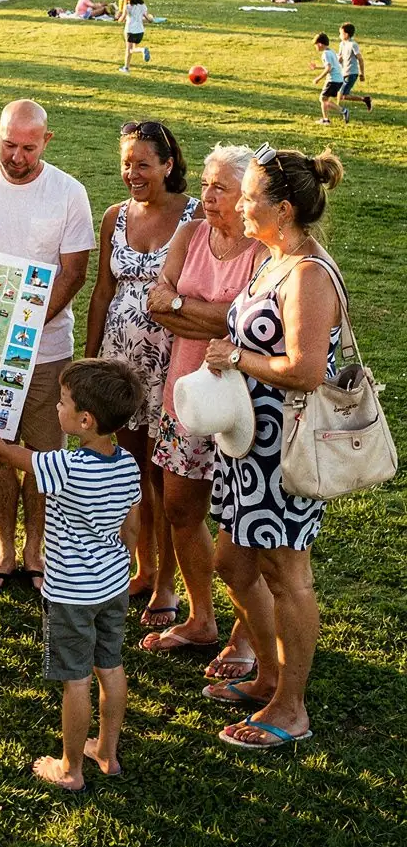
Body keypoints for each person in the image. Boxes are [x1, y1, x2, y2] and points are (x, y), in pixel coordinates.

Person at [0, 358, 143, 791]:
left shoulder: (64, 468)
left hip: (70, 595)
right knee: (111, 667)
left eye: (62, 403)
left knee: (76, 680)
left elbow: (4, 452)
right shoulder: (126, 464)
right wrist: (124, 560)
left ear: (85, 420)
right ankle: (106, 751)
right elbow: (132, 524)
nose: (56, 409)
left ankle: (70, 769)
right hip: (113, 585)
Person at [203, 143, 345, 750]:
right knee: (233, 563)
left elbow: (307, 369)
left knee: (287, 574)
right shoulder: (272, 260)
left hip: (284, 449)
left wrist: (236, 356)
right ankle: (266, 672)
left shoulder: (308, 275)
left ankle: (291, 706)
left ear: (282, 209)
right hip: (247, 445)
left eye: (250, 196)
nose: (239, 203)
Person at [0, 100, 96, 597]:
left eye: (28, 148)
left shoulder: (69, 192)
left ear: (46, 142)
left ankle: (36, 553)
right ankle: (4, 553)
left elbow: (74, 273)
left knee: (42, 453)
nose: (16, 156)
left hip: (47, 348)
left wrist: (28, 328)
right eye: (8, 144)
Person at [144, 145, 261, 675]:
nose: (206, 197)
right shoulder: (190, 235)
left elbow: (248, 326)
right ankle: (201, 617)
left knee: (240, 526)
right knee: (179, 510)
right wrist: (211, 317)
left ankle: (244, 636)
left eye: (221, 188)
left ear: (249, 197)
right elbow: (155, 302)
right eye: (208, 185)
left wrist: (182, 309)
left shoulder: (265, 251)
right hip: (185, 397)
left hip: (244, 412)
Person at [86, 121, 201, 624]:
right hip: (121, 359)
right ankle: (145, 567)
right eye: (126, 163)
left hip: (172, 359)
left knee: (166, 476)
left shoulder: (195, 218)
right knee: (134, 471)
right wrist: (89, 363)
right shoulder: (114, 216)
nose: (132, 173)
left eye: (143, 164)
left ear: (168, 165)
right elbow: (102, 292)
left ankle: (170, 586)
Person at [337, 21, 373, 121]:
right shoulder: (342, 44)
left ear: (346, 34)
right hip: (343, 72)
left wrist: (362, 73)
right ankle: (365, 99)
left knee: (341, 94)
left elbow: (360, 59)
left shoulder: (353, 45)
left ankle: (341, 111)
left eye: (341, 33)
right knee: (343, 95)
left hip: (351, 72)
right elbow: (339, 57)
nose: (339, 35)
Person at [117, 0, 153, 72]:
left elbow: (122, 17)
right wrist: (150, 18)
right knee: (133, 49)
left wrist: (119, 20)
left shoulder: (128, 6)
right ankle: (141, 50)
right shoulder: (143, 6)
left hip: (130, 30)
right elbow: (148, 19)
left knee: (129, 50)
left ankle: (126, 68)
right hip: (140, 31)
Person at [312, 34, 345, 124]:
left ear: (320, 44)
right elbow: (331, 65)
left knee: (323, 99)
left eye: (315, 45)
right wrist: (317, 67)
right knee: (324, 99)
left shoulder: (325, 54)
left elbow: (328, 68)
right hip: (338, 80)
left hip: (333, 80)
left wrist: (318, 79)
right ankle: (326, 119)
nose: (316, 48)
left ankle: (342, 111)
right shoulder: (331, 51)